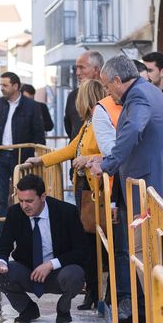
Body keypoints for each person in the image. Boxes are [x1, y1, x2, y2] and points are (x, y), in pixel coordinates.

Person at [82, 54, 163, 323]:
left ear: (118, 80)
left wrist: (108, 163)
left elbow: (132, 131)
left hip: (154, 188)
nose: (107, 92)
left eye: (107, 86)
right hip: (156, 185)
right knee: (152, 252)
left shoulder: (138, 97)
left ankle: (160, 316)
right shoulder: (148, 91)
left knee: (143, 250)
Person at [19, 78, 119, 310]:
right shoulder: (88, 124)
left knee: (96, 243)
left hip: (96, 192)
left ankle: (99, 293)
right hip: (85, 190)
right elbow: (70, 149)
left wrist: (88, 159)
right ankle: (93, 291)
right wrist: (41, 160)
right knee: (89, 241)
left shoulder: (98, 123)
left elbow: (105, 152)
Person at [0, 173, 90, 323]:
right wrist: (1, 261)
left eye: (29, 201)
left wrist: (51, 264)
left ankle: (63, 308)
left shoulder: (66, 212)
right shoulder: (15, 213)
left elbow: (82, 251)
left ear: (43, 196)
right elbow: (3, 245)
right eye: (21, 200)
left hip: (59, 273)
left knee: (75, 275)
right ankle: (27, 309)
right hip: (29, 272)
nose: (24, 206)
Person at [0, 71, 50, 223]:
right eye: (1, 85)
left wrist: (36, 157)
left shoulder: (31, 106)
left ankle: (23, 229)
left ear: (15, 86)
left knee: (25, 196)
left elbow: (38, 133)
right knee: (0, 196)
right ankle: (1, 233)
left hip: (22, 157)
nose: (1, 88)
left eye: (5, 85)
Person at [64, 50, 104, 140]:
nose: (77, 73)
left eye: (82, 68)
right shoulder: (73, 96)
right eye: (76, 68)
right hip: (76, 150)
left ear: (96, 69)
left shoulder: (111, 95)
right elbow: (69, 127)